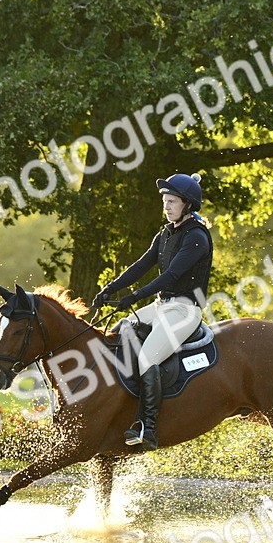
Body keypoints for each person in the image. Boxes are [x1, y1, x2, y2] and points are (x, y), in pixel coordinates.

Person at [91, 172, 213, 451]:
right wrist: (110, 289)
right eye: (165, 202)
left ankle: (149, 427)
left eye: (172, 202)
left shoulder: (196, 237)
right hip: (161, 307)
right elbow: (140, 266)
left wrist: (132, 297)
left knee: (147, 357)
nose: (167, 207)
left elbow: (170, 276)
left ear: (187, 205)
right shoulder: (166, 233)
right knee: (121, 329)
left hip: (184, 310)